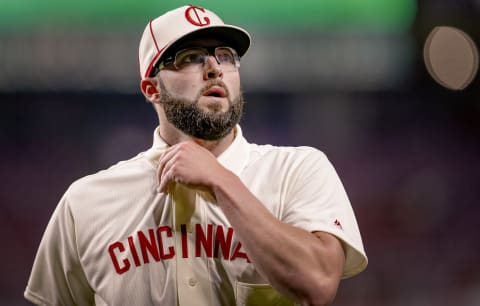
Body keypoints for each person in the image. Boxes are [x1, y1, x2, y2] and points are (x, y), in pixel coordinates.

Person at [25, 4, 367, 306]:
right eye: (191, 58)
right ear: (152, 88)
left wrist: (221, 181)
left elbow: (318, 284)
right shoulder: (85, 202)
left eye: (225, 56)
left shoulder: (297, 169)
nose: (215, 69)